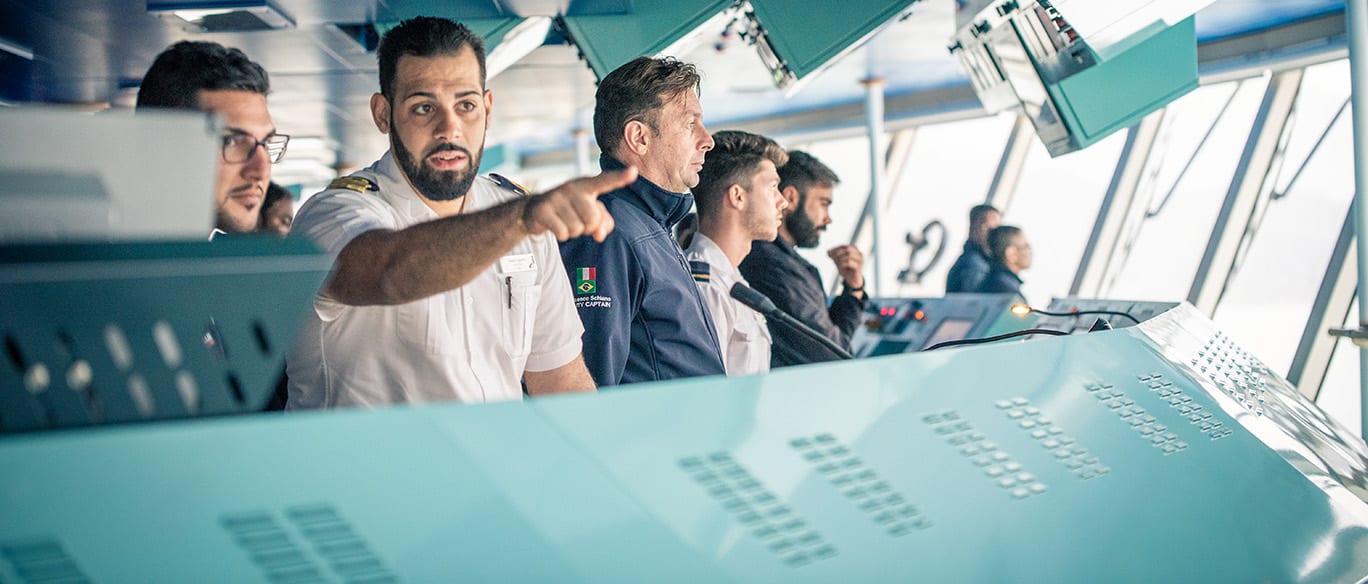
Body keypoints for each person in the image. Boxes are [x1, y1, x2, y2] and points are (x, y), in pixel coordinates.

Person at [286, 17, 636, 409]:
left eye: (465, 105)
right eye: (423, 107)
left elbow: (559, 377)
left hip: (494, 464)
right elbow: (390, 272)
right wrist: (521, 219)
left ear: (487, 108)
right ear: (383, 114)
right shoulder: (332, 213)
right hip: (369, 469)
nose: (449, 128)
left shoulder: (521, 217)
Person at [558, 56, 725, 387]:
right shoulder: (607, 233)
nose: (708, 140)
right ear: (639, 138)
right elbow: (590, 383)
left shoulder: (651, 226)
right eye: (691, 124)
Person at [137, 41, 288, 237]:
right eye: (231, 141)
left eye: (266, 143)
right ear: (161, 147)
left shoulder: (206, 263)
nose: (260, 171)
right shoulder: (106, 262)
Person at [739, 151, 866, 368]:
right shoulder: (774, 265)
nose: (828, 218)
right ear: (790, 198)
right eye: (823, 203)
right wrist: (854, 293)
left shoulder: (776, 260)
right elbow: (832, 352)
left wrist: (852, 289)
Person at [684, 130, 788, 376]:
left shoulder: (730, 279)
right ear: (737, 196)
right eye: (773, 187)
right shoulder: (706, 288)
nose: (782, 201)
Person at [945, 204, 1000, 293]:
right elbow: (972, 303)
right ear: (980, 226)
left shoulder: (976, 262)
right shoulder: (974, 265)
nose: (997, 234)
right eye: (992, 229)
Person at [976, 225, 1031, 299]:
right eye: (1026, 246)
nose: (1030, 252)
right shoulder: (1006, 290)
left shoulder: (993, 282)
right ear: (1011, 253)